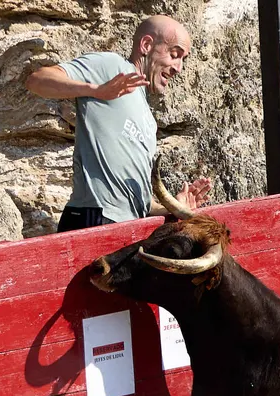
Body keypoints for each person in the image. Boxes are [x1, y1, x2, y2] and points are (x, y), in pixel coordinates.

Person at [26, 15, 211, 233]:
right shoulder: (112, 66)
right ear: (146, 45)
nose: (178, 68)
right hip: (94, 217)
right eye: (174, 55)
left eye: (183, 60)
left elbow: (142, 204)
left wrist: (174, 206)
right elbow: (37, 80)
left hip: (128, 226)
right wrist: (96, 90)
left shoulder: (149, 122)